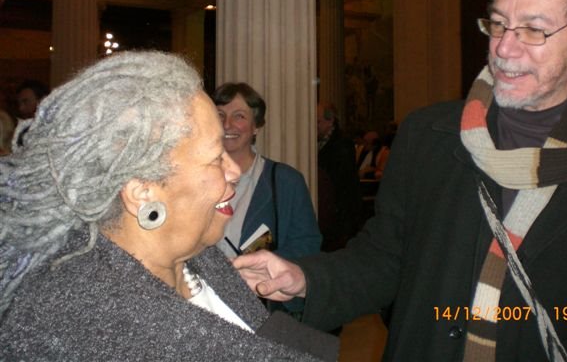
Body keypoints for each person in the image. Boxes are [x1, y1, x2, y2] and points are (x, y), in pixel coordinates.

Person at [233, 0, 567, 361]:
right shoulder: (428, 136)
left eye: (533, 30)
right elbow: (384, 259)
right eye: (498, 23)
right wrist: (302, 278)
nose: (503, 47)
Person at [0, 51, 332, 361]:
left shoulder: (198, 257)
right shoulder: (89, 321)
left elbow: (265, 337)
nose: (233, 171)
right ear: (142, 191)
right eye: (216, 157)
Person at [212, 82, 321, 261]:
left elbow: (307, 245)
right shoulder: (192, 179)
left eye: (239, 116)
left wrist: (260, 266)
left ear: (257, 126)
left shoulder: (286, 182)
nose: (227, 124)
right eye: (220, 115)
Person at [316, 101, 361, 251]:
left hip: (338, 211)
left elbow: (343, 184)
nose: (314, 125)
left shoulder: (342, 144)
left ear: (330, 121)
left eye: (318, 122)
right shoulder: (319, 142)